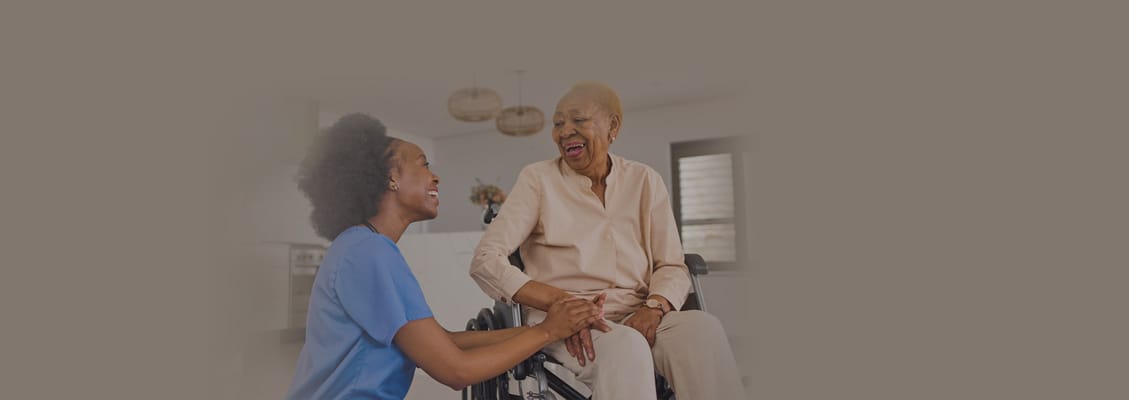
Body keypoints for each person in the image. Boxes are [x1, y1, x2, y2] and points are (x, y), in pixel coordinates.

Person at [285, 113, 605, 400]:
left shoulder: (360, 246)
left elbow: (444, 341)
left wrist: (553, 326)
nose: (435, 177)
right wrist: (547, 331)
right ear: (389, 177)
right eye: (423, 164)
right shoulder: (369, 253)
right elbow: (456, 371)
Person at [470, 82, 746, 399]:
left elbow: (671, 263)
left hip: (640, 312)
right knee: (626, 346)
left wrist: (655, 308)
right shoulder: (538, 180)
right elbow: (485, 260)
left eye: (578, 120)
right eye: (558, 123)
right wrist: (561, 303)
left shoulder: (644, 180)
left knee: (702, 330)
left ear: (612, 126)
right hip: (567, 323)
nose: (564, 132)